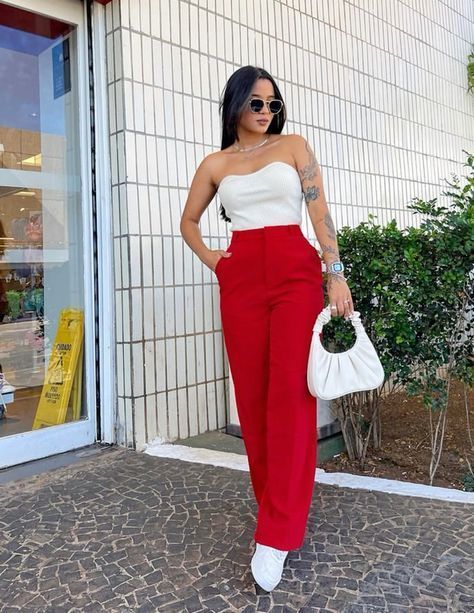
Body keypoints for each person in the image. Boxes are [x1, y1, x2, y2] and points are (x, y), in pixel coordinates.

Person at [180, 65, 354, 593]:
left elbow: (320, 211)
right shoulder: (216, 163)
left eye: (272, 103)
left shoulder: (294, 146)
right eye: (256, 102)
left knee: (290, 396)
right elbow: (188, 222)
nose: (265, 111)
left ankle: (275, 533)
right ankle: (276, 504)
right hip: (242, 283)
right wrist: (220, 262)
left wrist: (335, 273)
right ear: (235, 104)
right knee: (254, 402)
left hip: (295, 274)